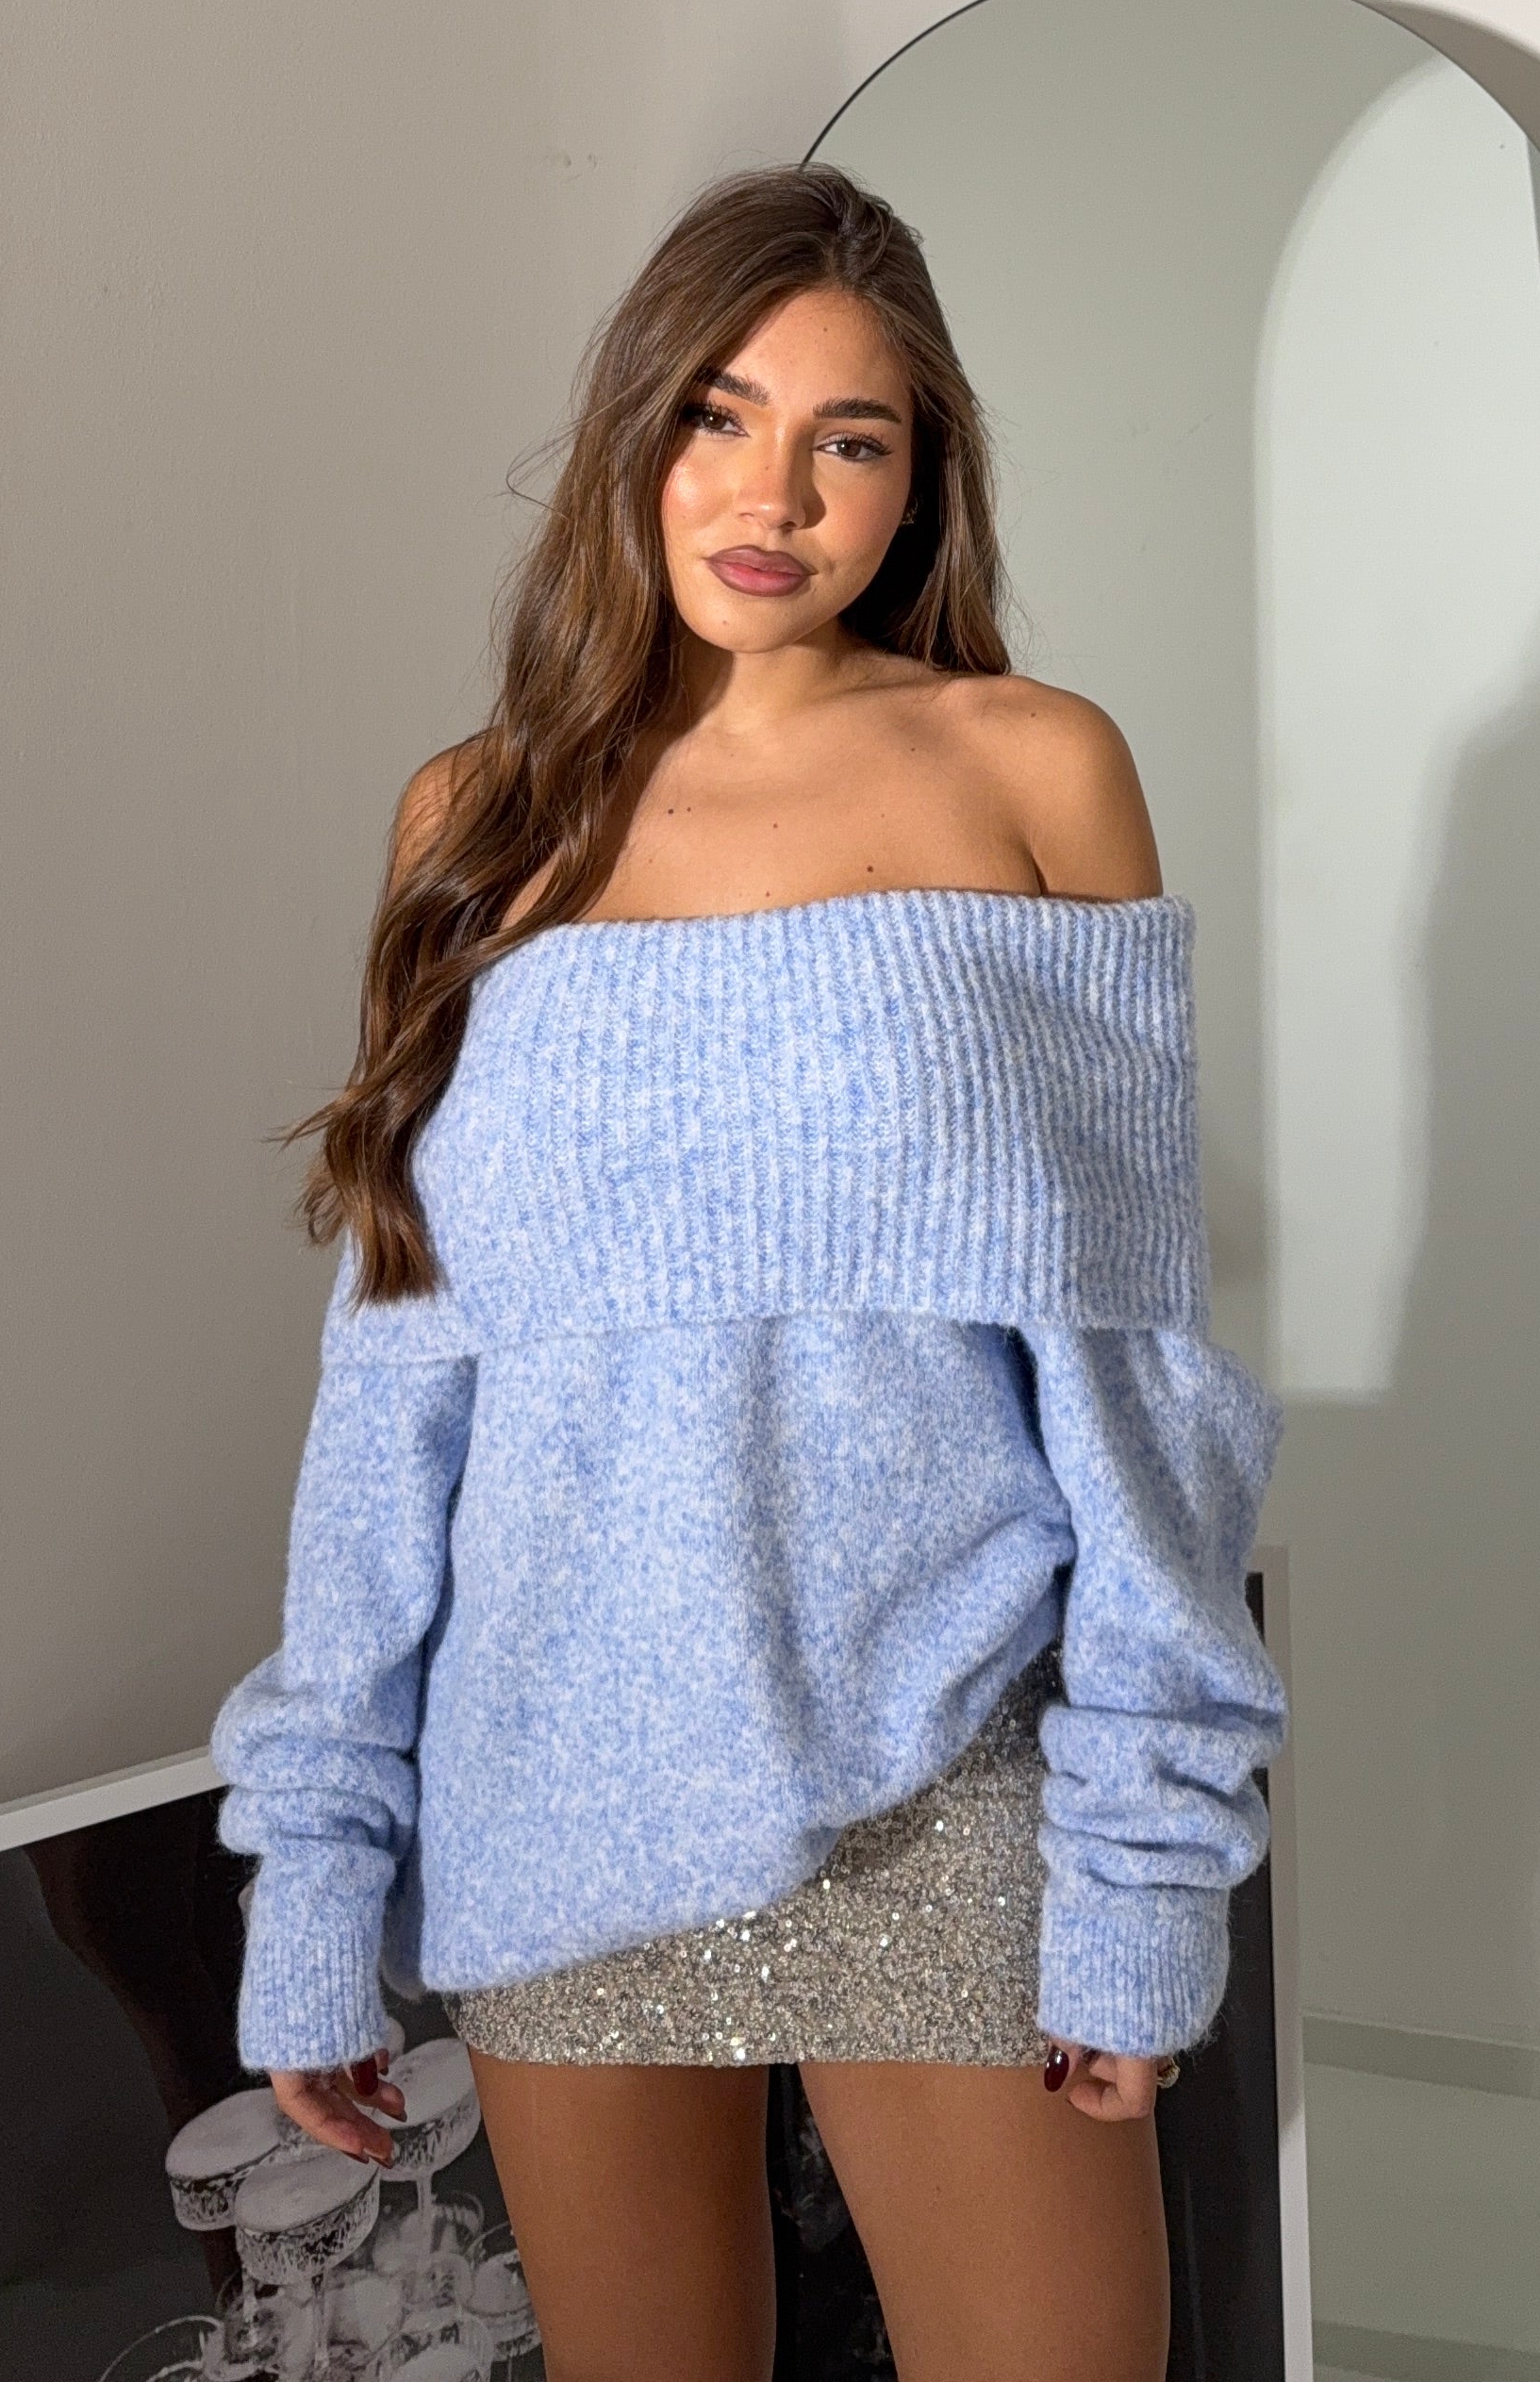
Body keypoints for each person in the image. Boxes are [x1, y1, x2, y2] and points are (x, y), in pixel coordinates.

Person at [211, 163, 1286, 2382]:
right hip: (551, 1795)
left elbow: (1134, 1391)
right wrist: (317, 1878)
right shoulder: (474, 826)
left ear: (919, 479)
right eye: (720, 414)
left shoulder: (1038, 775)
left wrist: (1146, 1869)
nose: (773, 494)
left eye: (846, 439)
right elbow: (397, 1389)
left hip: (944, 1783)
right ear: (636, 428)